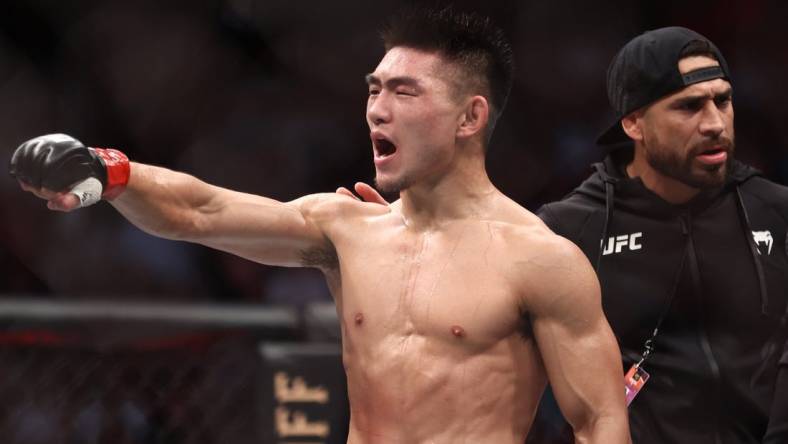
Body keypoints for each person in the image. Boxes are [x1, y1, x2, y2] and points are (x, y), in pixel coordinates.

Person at [8, 7, 630, 444]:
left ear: (470, 117)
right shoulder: (345, 230)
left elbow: (600, 420)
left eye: (404, 93)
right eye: (373, 90)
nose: (378, 110)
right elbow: (203, 211)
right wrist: (110, 172)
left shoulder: (540, 260)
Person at [536, 27, 788, 443]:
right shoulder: (570, 229)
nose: (714, 124)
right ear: (633, 123)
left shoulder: (777, 212)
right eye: (689, 107)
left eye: (722, 100)